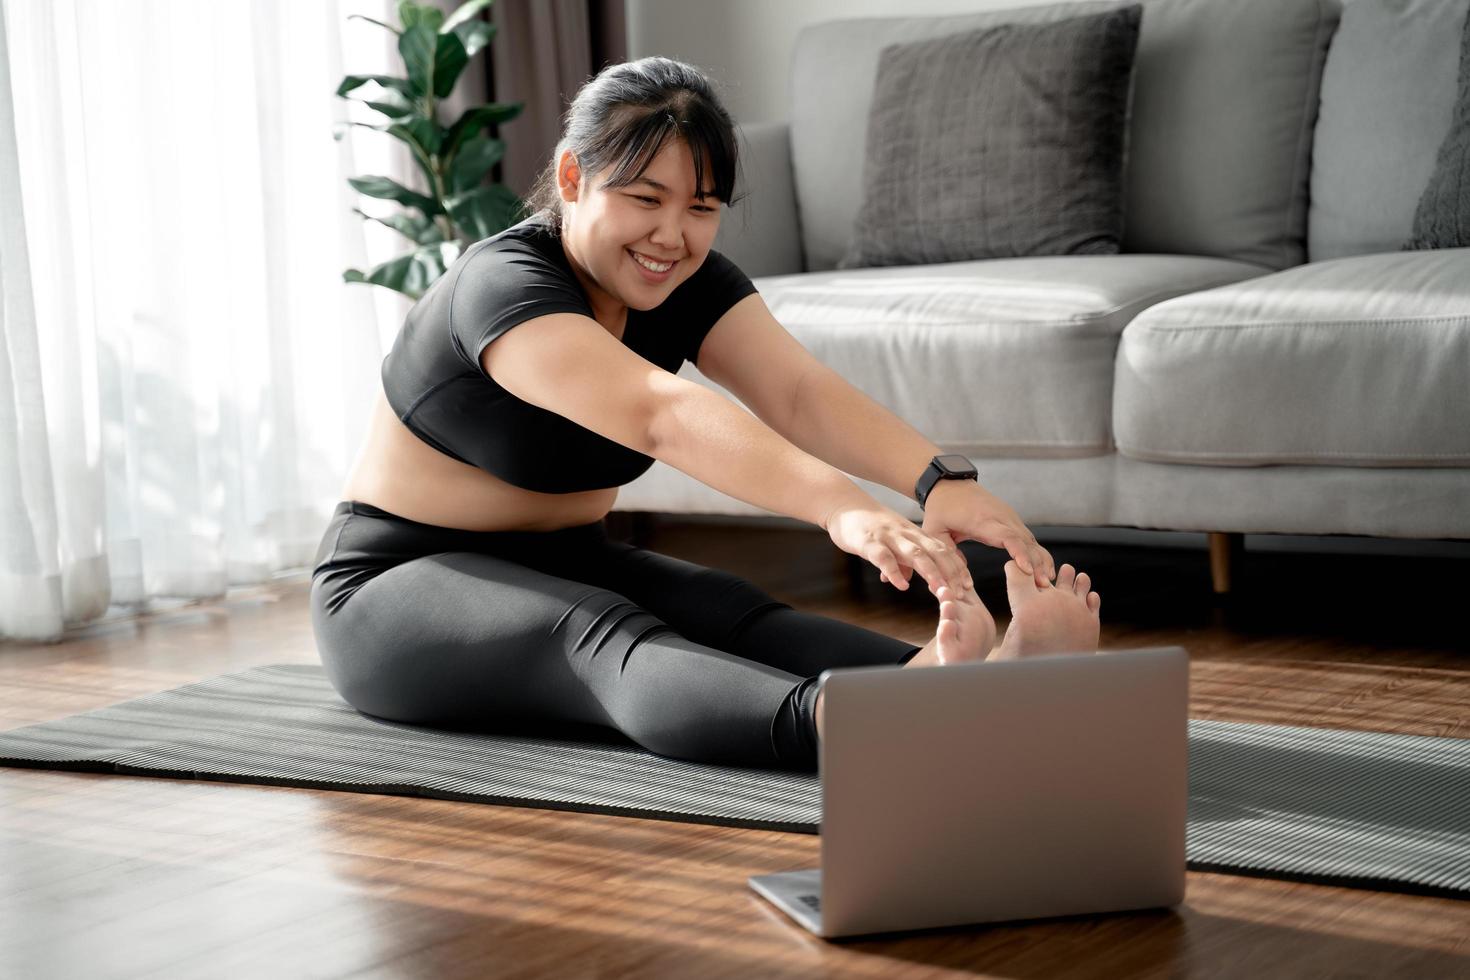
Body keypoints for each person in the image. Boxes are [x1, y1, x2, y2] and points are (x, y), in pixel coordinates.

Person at [310, 56, 1103, 773]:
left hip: (570, 558)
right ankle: (857, 726)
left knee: (733, 614)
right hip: (394, 587)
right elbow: (661, 414)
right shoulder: (503, 289)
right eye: (645, 198)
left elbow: (795, 390)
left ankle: (946, 685)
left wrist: (939, 481)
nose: (672, 236)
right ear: (573, 176)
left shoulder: (684, 280)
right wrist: (846, 511)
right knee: (600, 634)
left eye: (702, 207)